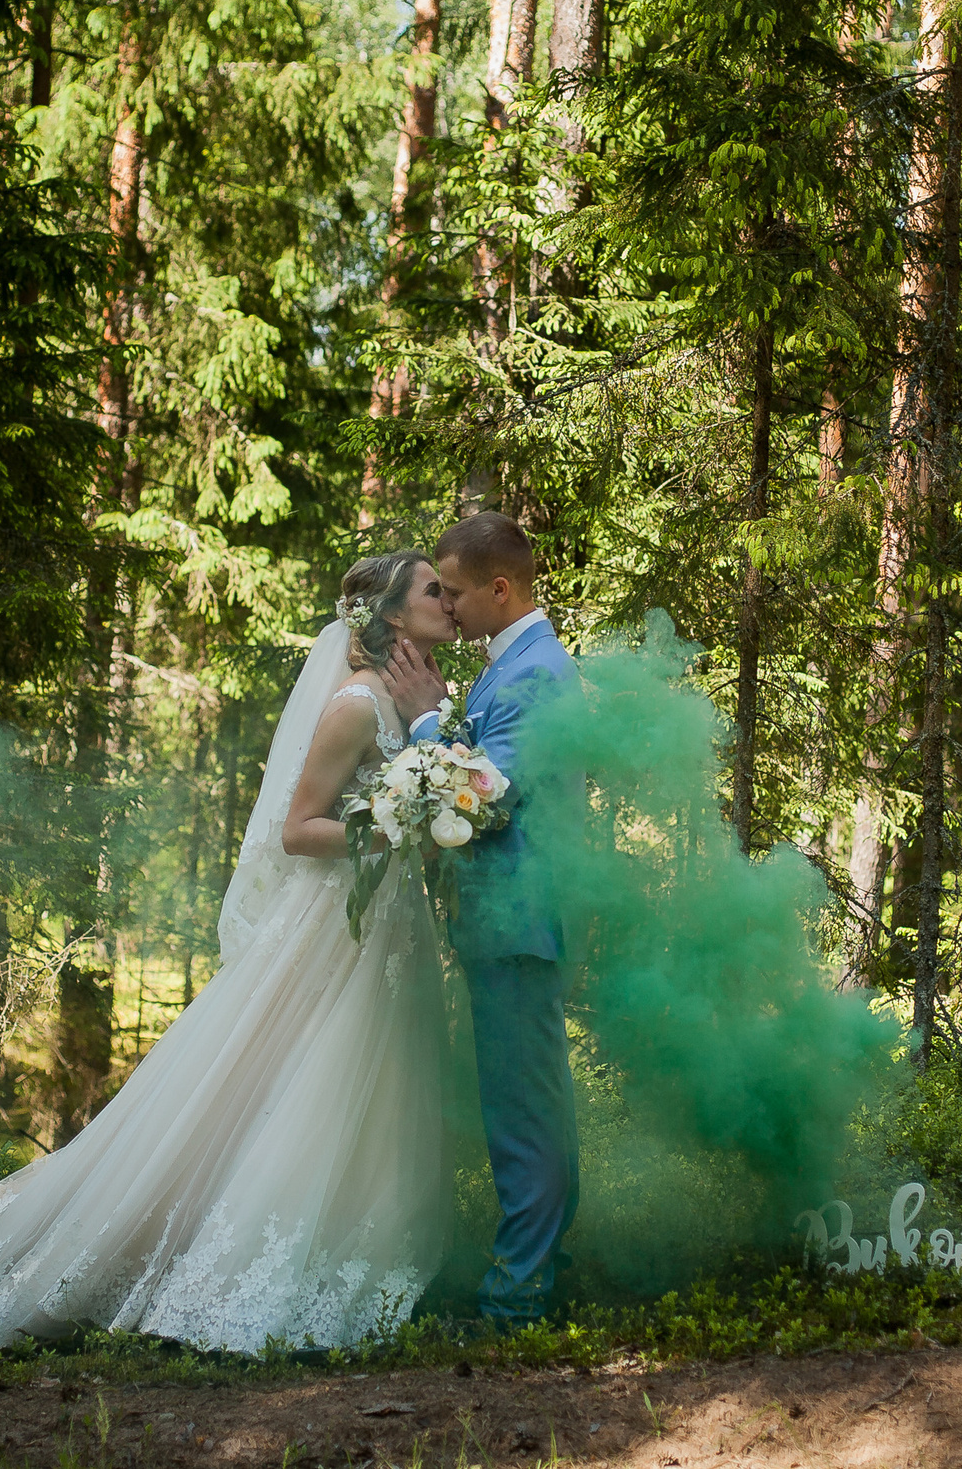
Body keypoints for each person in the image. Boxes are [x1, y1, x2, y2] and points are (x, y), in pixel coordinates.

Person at [0, 552, 458, 1352]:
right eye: (434, 589)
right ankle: (122, 1254)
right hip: (334, 926)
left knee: (369, 1092)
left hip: (384, 926)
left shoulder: (414, 698)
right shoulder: (357, 705)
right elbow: (300, 830)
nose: (449, 599)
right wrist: (391, 832)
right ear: (393, 615)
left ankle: (355, 1252)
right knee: (269, 1088)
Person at [382, 511, 581, 1331]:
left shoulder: (535, 671)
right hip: (505, 920)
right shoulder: (516, 663)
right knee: (525, 1106)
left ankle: (516, 1302)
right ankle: (535, 1278)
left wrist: (429, 719)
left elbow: (489, 797)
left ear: (501, 589)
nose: (449, 605)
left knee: (523, 1114)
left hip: (518, 920)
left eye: (456, 591)